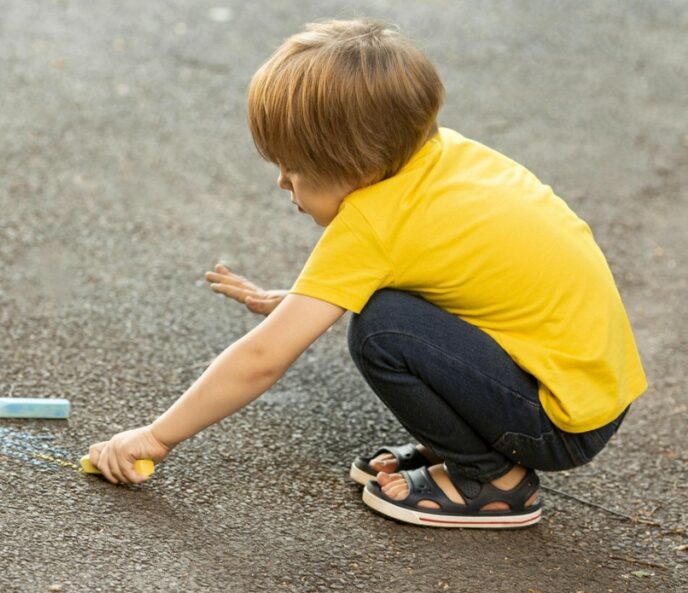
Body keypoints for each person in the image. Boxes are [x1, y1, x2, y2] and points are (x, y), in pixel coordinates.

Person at [86, 18, 647, 528]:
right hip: (589, 389)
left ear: (360, 169)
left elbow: (261, 360)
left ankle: (492, 479)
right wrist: (304, 298)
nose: (283, 182)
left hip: (555, 422)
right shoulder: (443, 156)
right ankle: (472, 446)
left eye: (296, 169)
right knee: (385, 309)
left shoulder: (371, 225)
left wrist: (156, 437)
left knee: (381, 329)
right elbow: (463, 273)